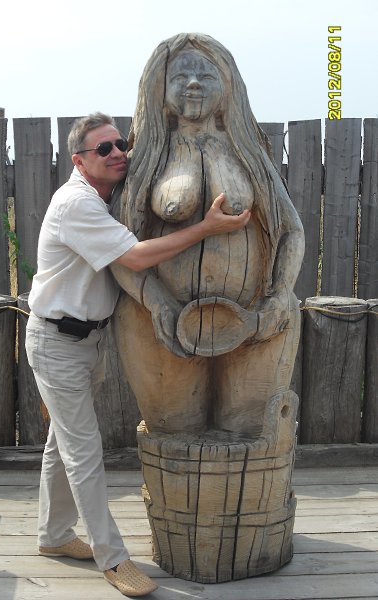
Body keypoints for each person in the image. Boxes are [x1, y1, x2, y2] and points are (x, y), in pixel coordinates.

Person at [25, 111, 250, 597]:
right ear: (78, 160)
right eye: (103, 148)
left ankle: (54, 535)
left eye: (120, 144)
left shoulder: (106, 200)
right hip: (58, 343)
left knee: (62, 444)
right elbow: (137, 256)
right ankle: (112, 558)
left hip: (83, 340)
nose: (117, 154)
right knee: (83, 451)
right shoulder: (77, 204)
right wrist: (207, 228)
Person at [110, 33, 305, 437]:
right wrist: (156, 301)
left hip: (254, 320)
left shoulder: (249, 155)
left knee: (250, 432)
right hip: (161, 323)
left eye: (207, 75)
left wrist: (279, 295)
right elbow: (119, 249)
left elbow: (290, 231)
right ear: (159, 90)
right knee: (174, 435)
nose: (194, 83)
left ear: (228, 88)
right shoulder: (147, 160)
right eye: (180, 76)